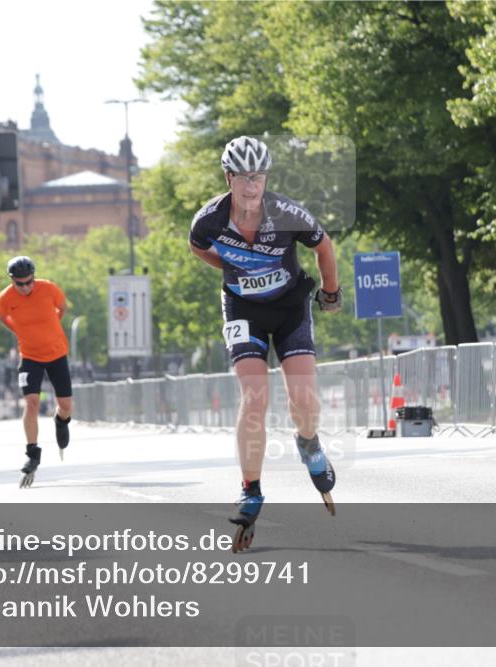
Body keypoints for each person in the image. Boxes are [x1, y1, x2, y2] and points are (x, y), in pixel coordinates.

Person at [188, 136, 343, 552]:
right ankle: (251, 489)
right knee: (254, 397)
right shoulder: (209, 221)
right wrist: (233, 268)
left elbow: (323, 246)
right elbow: (198, 248)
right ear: (229, 178)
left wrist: (330, 292)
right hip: (243, 309)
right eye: (242, 178)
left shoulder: (287, 212)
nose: (251, 186)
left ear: (265, 177)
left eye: (257, 177)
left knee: (304, 401)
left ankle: (308, 442)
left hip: (290, 307)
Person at [0, 256, 73, 488]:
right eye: (20, 284)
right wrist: (22, 332)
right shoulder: (5, 299)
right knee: (31, 402)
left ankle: (61, 421)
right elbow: (3, 317)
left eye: (29, 282)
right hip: (29, 357)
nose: (26, 287)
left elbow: (63, 308)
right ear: (12, 281)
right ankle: (32, 453)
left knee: (66, 405)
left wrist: (51, 327)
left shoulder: (49, 288)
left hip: (57, 353)